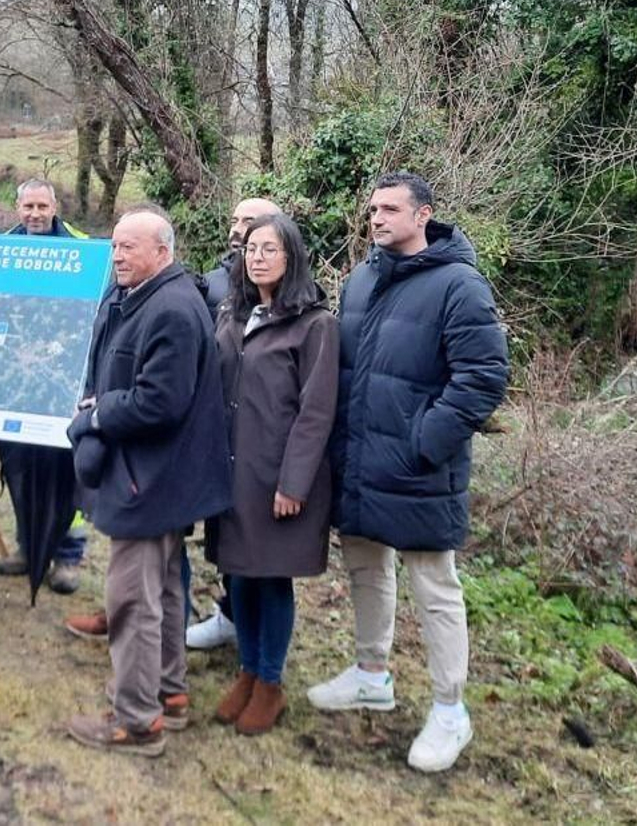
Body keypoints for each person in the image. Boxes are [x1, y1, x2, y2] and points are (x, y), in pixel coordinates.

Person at [306, 172, 508, 773]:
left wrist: (425, 443)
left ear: (424, 216)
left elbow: (483, 379)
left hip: (419, 466)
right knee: (366, 565)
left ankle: (450, 711)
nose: (376, 217)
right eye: (372, 208)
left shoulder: (459, 285)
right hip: (361, 459)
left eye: (390, 208)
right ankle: (372, 674)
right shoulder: (362, 279)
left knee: (435, 586)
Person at [63, 205, 232, 757]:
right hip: (154, 476)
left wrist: (97, 412)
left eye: (128, 247)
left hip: (152, 478)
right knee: (161, 588)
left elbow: (160, 402)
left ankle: (137, 721)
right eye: (114, 246)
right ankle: (170, 694)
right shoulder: (136, 296)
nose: (117, 256)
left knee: (133, 599)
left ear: (163, 252)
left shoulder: (174, 311)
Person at [208, 213, 338, 734]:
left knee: (271, 575)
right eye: (251, 249)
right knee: (238, 570)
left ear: (292, 257)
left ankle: (270, 682)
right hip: (232, 468)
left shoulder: (315, 324)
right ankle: (246, 670)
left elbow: (317, 410)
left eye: (269, 249)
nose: (257, 257)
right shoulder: (233, 315)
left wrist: (294, 483)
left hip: (278, 475)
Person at [0, 179, 91, 595]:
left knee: (66, 471)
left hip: (64, 381)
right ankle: (27, 547)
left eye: (42, 206)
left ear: (55, 206)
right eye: (28, 206)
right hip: (14, 382)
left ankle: (67, 558)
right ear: (17, 207)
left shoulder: (82, 247)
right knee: (19, 468)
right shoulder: (2, 247)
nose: (35, 214)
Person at [188, 196, 283, 650]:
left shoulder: (293, 297)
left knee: (260, 552)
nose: (237, 229)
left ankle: (259, 650)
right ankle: (228, 616)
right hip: (218, 433)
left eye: (249, 221)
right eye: (234, 220)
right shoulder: (212, 284)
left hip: (262, 446)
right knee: (225, 535)